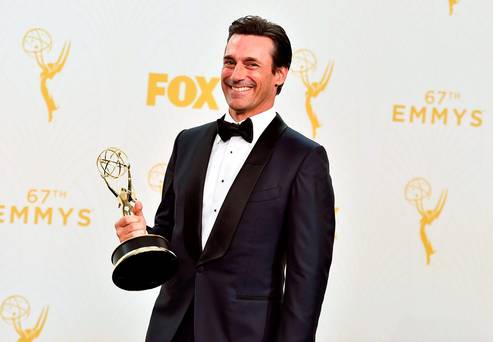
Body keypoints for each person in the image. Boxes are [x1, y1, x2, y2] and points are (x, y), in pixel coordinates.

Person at [115, 15, 335, 342]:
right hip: (173, 329)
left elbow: (307, 279)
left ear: (279, 74)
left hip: (247, 333)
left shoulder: (303, 159)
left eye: (251, 64)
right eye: (229, 62)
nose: (237, 75)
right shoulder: (187, 142)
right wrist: (142, 238)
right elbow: (170, 239)